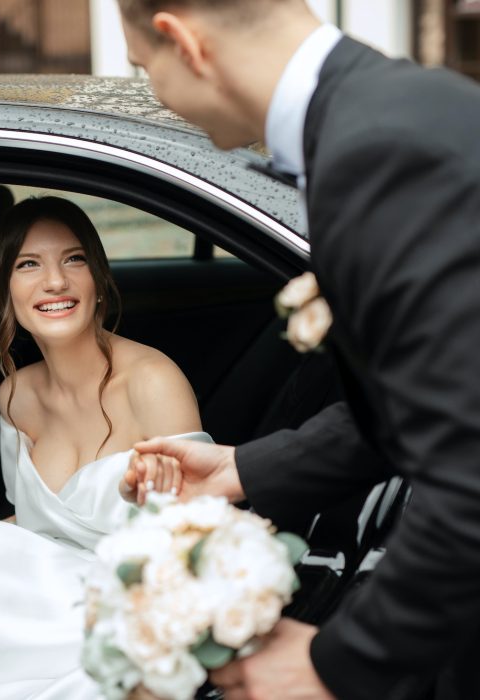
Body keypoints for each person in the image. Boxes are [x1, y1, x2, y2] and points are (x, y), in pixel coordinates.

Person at [114, 1, 480, 699]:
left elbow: (469, 463)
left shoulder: (379, 154)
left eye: (143, 67)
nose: (152, 91)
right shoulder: (392, 111)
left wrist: (332, 663)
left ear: (181, 41)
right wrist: (243, 469)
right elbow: (430, 396)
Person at [0, 195, 211, 699]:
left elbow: (201, 547)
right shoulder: (14, 394)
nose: (55, 282)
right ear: (5, 291)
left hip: (127, 623)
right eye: (28, 265)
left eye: (73, 260)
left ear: (98, 280)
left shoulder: (153, 382)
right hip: (36, 610)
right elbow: (31, 526)